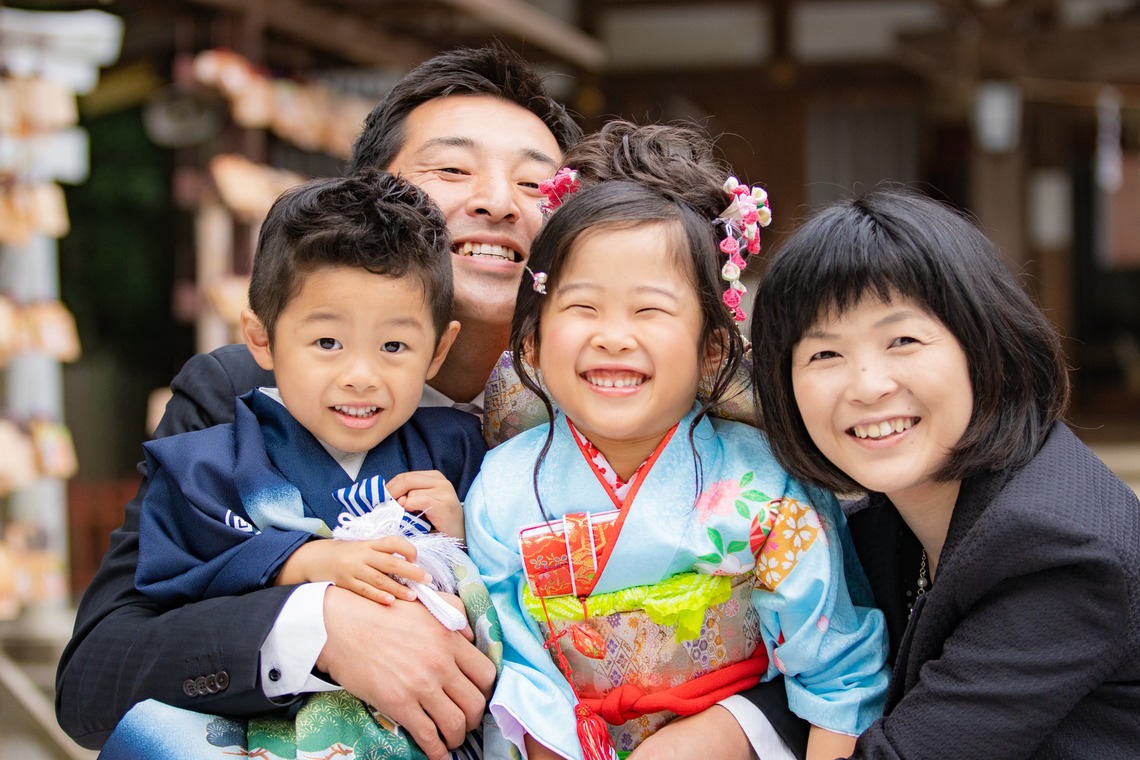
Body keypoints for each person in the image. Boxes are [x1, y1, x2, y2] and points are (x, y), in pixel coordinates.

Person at [55, 44, 580, 760]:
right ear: (371, 199)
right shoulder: (244, 396)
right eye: (453, 170)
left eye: (537, 184)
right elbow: (95, 678)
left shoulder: (605, 411)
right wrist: (315, 625)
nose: (499, 201)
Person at [464, 138, 889, 760]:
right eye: (582, 306)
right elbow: (517, 670)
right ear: (531, 340)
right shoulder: (502, 489)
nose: (614, 336)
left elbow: (836, 677)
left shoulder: (765, 482)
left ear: (711, 348)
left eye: (650, 309)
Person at [103, 168, 495, 757]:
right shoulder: (209, 464)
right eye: (327, 343)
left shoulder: (457, 450)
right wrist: (299, 563)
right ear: (261, 338)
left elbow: (511, 592)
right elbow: (173, 585)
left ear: (438, 349)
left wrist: (465, 530)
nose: (360, 375)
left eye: (393, 346)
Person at [749, 188, 1140, 758]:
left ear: (985, 345)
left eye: (902, 340)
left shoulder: (1058, 554)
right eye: (824, 355)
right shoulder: (882, 524)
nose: (867, 386)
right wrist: (730, 722)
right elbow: (817, 672)